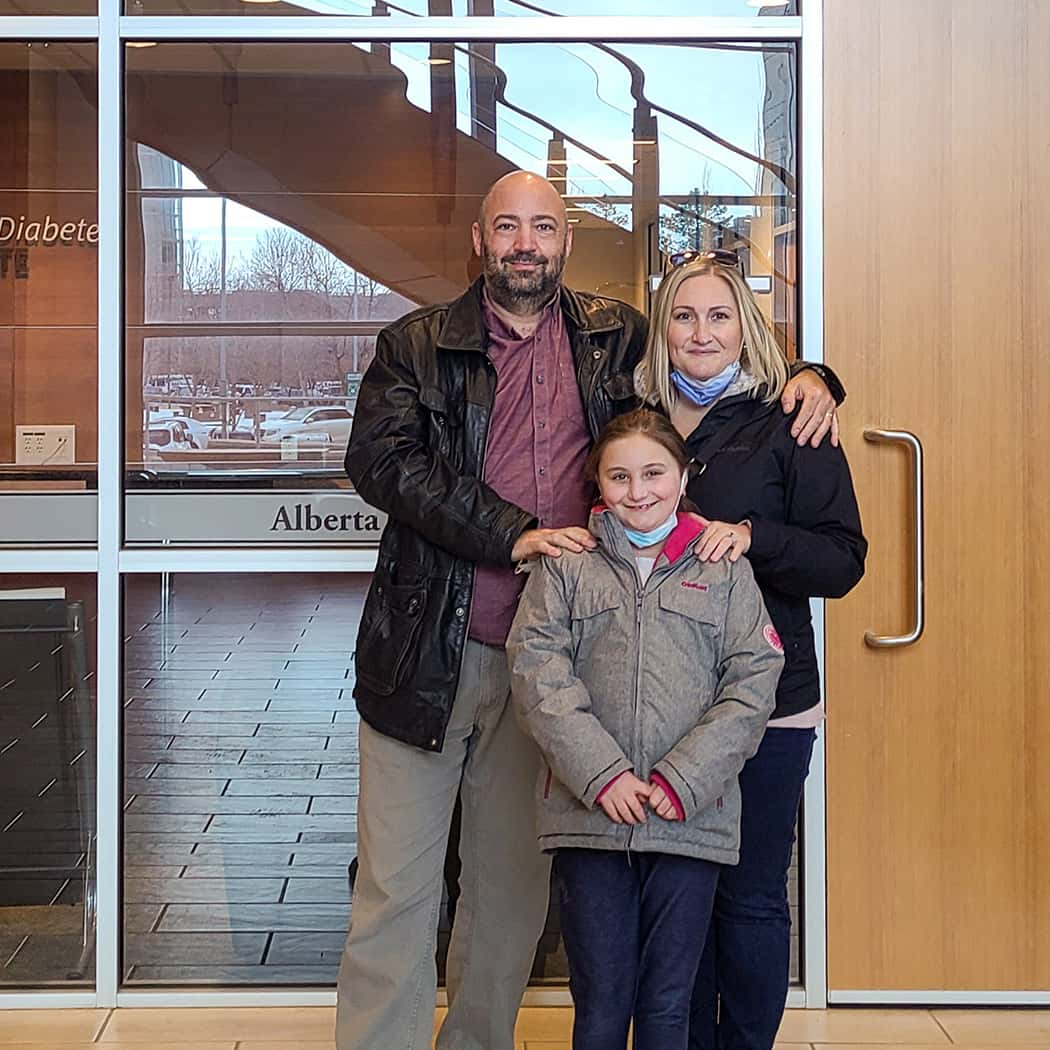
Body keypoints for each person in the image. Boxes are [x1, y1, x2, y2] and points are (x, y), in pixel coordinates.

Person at [339, 171, 839, 1050]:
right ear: (479, 241)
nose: (524, 242)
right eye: (507, 226)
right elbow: (382, 464)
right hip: (428, 654)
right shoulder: (412, 344)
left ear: (567, 242)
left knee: (511, 894)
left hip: (559, 672)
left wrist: (814, 376)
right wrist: (515, 534)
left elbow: (710, 358)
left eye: (542, 226)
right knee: (396, 890)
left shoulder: (614, 338)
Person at [635, 253, 867, 1050]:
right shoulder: (633, 417)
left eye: (720, 316)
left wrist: (752, 537)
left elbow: (842, 559)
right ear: (660, 328)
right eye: (684, 316)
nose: (701, 333)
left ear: (747, 328)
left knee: (752, 897)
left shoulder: (792, 420)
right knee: (677, 899)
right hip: (659, 700)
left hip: (767, 703)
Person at [507, 409, 784, 1050]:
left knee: (668, 1006)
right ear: (597, 485)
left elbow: (752, 681)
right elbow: (537, 672)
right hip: (591, 818)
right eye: (620, 476)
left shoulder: (723, 568)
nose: (639, 491)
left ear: (682, 477)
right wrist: (602, 776)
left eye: (654, 473)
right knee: (601, 1005)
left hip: (691, 817)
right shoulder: (566, 566)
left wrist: (682, 779)